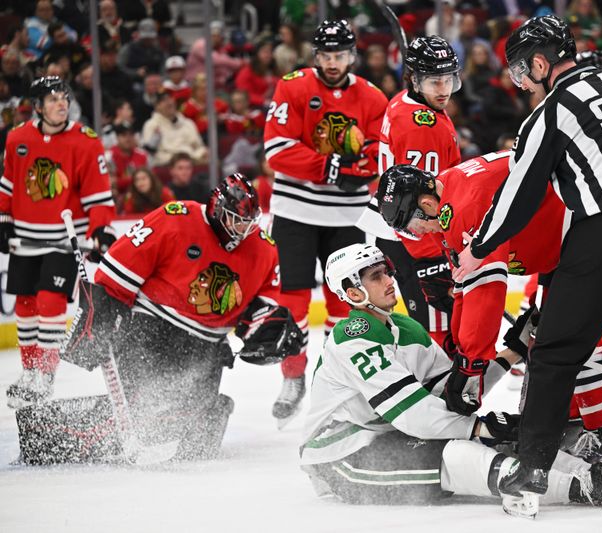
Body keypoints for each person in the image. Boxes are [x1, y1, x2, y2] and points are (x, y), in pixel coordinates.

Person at [452, 15, 602, 514]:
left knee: (556, 352)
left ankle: (533, 468)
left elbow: (519, 195)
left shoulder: (550, 112)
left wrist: (477, 248)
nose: (522, 84)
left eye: (524, 73)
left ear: (542, 64)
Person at [301, 242, 602, 512]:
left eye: (387, 271)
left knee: (496, 437)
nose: (389, 280)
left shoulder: (406, 328)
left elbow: (454, 396)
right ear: (353, 291)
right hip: (341, 454)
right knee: (458, 453)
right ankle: (579, 487)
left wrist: (514, 350)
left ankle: (589, 471)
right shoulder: (353, 335)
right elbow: (416, 415)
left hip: (391, 433)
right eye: (376, 276)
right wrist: (483, 426)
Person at [15, 174, 302, 464]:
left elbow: (262, 300)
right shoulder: (174, 218)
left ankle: (178, 421)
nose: (243, 231)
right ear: (217, 208)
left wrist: (264, 326)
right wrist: (101, 314)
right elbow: (118, 267)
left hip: (207, 347)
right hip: (151, 332)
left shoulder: (263, 247)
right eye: (237, 221)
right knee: (146, 411)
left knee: (198, 424)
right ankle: (49, 432)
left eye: (249, 223)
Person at [377, 157, 602, 461]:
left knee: (577, 341)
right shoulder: (449, 194)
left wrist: (471, 365)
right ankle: (572, 426)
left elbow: (486, 291)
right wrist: (459, 344)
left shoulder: (465, 205)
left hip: (589, 236)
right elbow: (467, 286)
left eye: (415, 225)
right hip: (566, 246)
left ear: (426, 204)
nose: (422, 233)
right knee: (550, 344)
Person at [263, 19, 388, 426]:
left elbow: (378, 151)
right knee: (293, 301)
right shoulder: (293, 85)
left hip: (347, 215)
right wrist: (333, 166)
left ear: (352, 55)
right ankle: (293, 375)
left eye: (340, 55)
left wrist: (361, 164)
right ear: (315, 56)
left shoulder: (371, 96)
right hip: (295, 212)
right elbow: (277, 149)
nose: (333, 62)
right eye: (326, 55)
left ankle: (335, 377)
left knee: (345, 301)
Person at [0, 76, 116, 408]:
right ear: (38, 106)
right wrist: (4, 221)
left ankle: (46, 375)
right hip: (25, 238)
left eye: (63, 98)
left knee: (51, 302)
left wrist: (100, 229)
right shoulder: (18, 138)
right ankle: (29, 371)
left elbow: (98, 193)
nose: (61, 103)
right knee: (25, 304)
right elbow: (9, 183)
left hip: (65, 238)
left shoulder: (85, 141)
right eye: (52, 99)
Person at [355, 35, 462, 351]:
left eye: (448, 79)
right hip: (414, 238)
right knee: (438, 329)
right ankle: (440, 399)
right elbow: (417, 202)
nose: (443, 89)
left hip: (392, 229)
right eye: (434, 81)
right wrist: (432, 259)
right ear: (415, 78)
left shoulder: (404, 101)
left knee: (430, 325)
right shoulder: (422, 125)